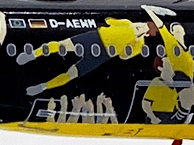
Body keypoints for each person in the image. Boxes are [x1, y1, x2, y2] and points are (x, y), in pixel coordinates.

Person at [18, 16, 155, 97]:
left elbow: (124, 56)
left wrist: (133, 38)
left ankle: (42, 85)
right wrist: (131, 30)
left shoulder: (138, 42)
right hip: (96, 40)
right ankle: (33, 56)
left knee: (70, 73)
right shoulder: (129, 26)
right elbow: (109, 21)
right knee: (62, 48)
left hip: (101, 51)